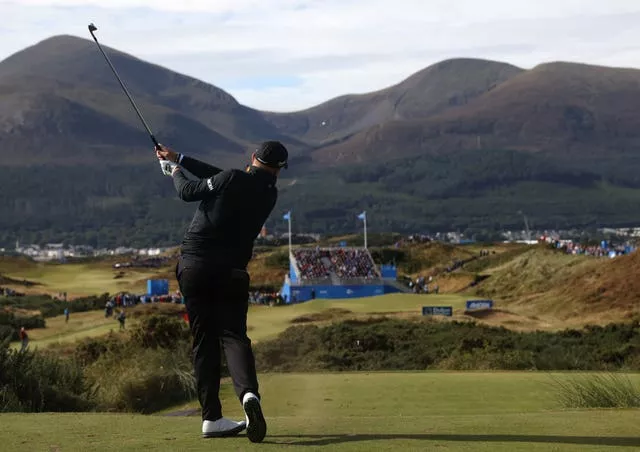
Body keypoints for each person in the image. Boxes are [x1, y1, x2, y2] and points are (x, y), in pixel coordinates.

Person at [156, 141, 288, 443]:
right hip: (233, 272)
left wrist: (175, 171)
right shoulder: (269, 193)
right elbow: (223, 176)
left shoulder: (232, 179)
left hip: (196, 267)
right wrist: (180, 157)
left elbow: (188, 192)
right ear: (279, 170)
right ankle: (249, 394)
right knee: (234, 335)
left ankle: (212, 418)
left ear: (252, 158)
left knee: (204, 342)